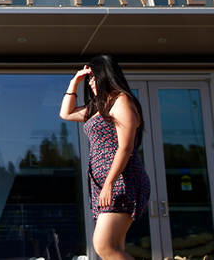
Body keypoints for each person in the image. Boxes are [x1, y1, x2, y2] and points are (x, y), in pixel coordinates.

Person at [59, 55, 151, 260]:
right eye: (89, 79)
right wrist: (75, 81)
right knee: (114, 248)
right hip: (104, 185)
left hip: (121, 182)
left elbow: (125, 148)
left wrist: (109, 183)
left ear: (105, 76)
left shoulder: (122, 101)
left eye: (93, 77)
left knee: (103, 246)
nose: (91, 82)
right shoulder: (99, 107)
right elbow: (66, 113)